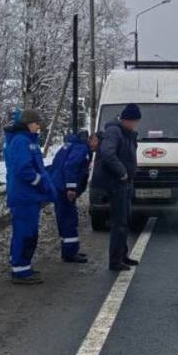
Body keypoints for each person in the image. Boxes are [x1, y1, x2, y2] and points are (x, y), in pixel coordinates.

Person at [3, 109, 57, 285]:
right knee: (25, 233)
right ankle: (20, 271)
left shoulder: (27, 140)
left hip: (28, 196)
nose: (38, 126)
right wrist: (40, 182)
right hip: (24, 196)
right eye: (36, 123)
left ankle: (23, 266)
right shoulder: (21, 141)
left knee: (28, 232)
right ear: (27, 124)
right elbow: (23, 169)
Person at [93, 103, 141, 271]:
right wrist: (121, 172)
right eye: (135, 121)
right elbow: (107, 153)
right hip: (117, 183)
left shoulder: (126, 133)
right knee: (119, 223)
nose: (136, 125)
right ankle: (115, 261)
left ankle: (122, 255)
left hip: (125, 183)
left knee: (125, 220)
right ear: (128, 119)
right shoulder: (115, 132)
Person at [50, 130, 99, 263]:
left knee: (67, 218)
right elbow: (70, 167)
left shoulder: (73, 145)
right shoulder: (81, 148)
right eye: (98, 142)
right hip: (63, 189)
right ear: (92, 139)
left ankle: (69, 250)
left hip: (58, 185)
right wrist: (71, 188)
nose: (97, 147)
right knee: (69, 219)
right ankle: (70, 253)